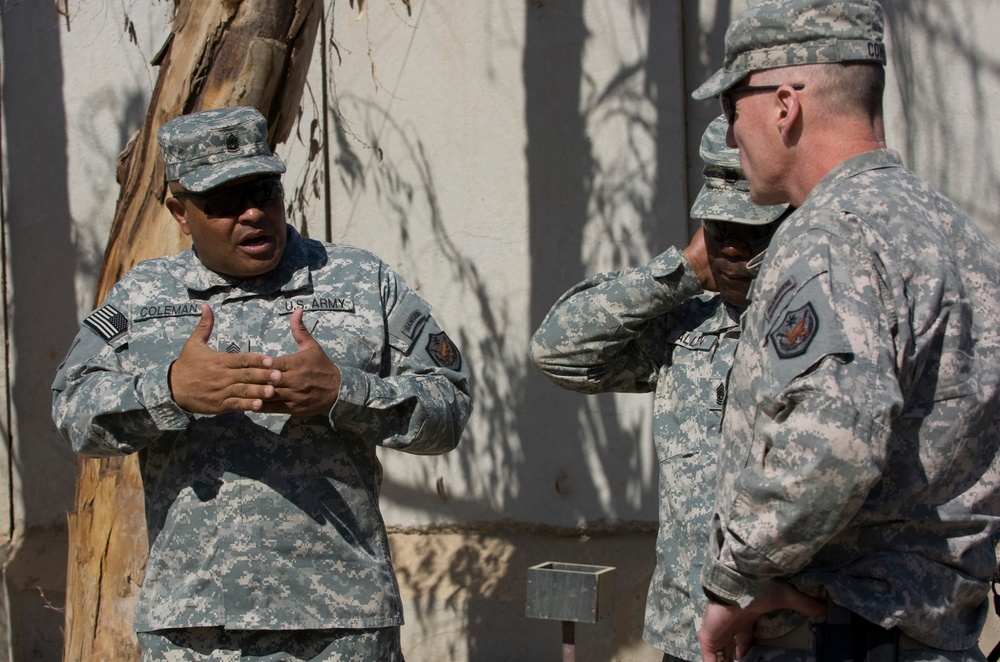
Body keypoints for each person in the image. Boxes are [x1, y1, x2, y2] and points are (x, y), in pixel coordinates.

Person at [52, 106, 473, 661]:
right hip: (195, 630)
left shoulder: (360, 281)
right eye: (225, 201)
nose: (253, 213)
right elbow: (71, 408)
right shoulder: (144, 295)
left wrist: (347, 393)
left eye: (264, 191)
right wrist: (169, 390)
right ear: (181, 211)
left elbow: (449, 405)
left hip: (340, 624)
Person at [689, 1, 1000, 660]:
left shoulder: (831, 235)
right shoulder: (955, 236)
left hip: (838, 632)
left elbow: (835, 440)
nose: (729, 135)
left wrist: (731, 584)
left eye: (731, 109)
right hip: (935, 633)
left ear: (783, 105)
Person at [529, 116, 790, 661]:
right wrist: (685, 271)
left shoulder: (824, 329)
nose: (736, 250)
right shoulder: (689, 327)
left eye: (755, 232)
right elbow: (558, 351)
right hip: (689, 634)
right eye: (721, 229)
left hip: (789, 637)